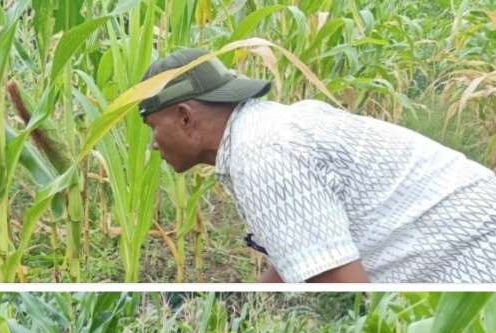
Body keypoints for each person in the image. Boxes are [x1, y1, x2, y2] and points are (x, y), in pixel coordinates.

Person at [138, 48, 496, 283]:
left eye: (154, 126)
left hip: (474, 258)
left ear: (185, 118)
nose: (154, 143)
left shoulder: (262, 155)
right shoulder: (260, 133)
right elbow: (301, 250)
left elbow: (347, 289)